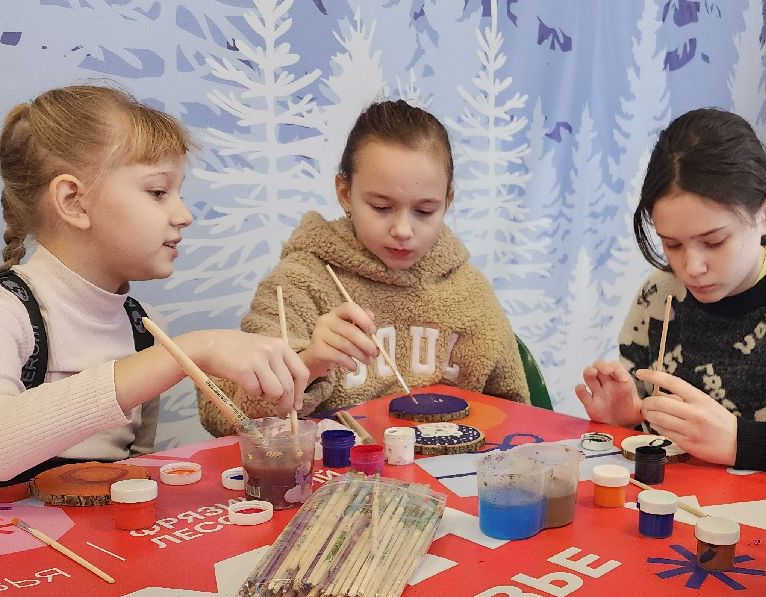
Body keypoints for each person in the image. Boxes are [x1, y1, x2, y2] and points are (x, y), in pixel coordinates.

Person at [0, 85, 309, 506]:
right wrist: (187, 352)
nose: (183, 215)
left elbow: (132, 468)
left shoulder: (144, 326)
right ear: (74, 202)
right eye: (157, 192)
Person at [575, 108, 766, 472]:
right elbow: (657, 437)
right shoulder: (659, 297)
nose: (691, 267)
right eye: (672, 245)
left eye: (715, 241)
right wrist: (628, 420)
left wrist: (743, 441)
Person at [199, 99, 527, 435]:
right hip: (334, 483)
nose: (403, 230)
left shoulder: (470, 293)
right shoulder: (299, 284)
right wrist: (310, 363)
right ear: (344, 192)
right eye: (382, 207)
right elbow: (222, 415)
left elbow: (517, 413)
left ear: (448, 201)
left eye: (425, 211)